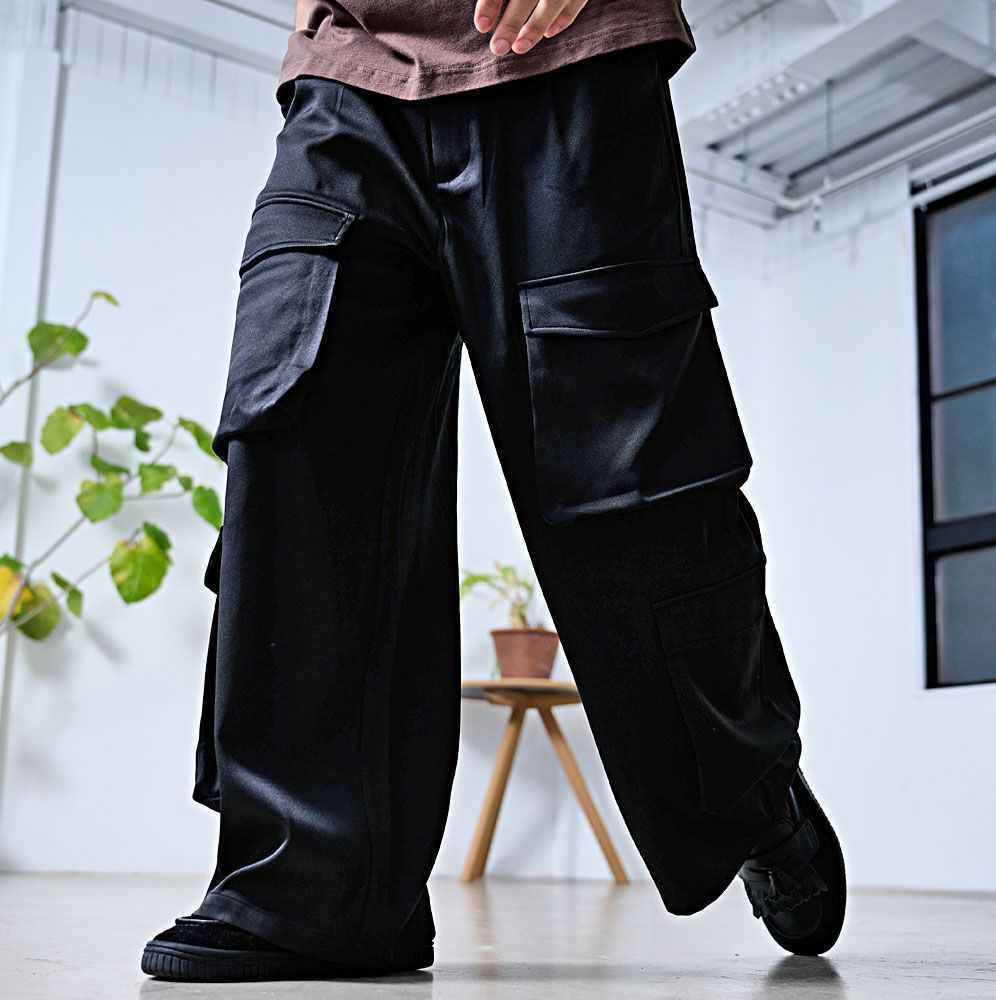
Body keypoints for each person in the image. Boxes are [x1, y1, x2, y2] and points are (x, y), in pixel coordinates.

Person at [141, 0, 846, 983]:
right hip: (348, 76)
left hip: (563, 53)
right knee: (294, 453)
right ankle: (318, 892)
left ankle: (750, 793)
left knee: (629, 492)